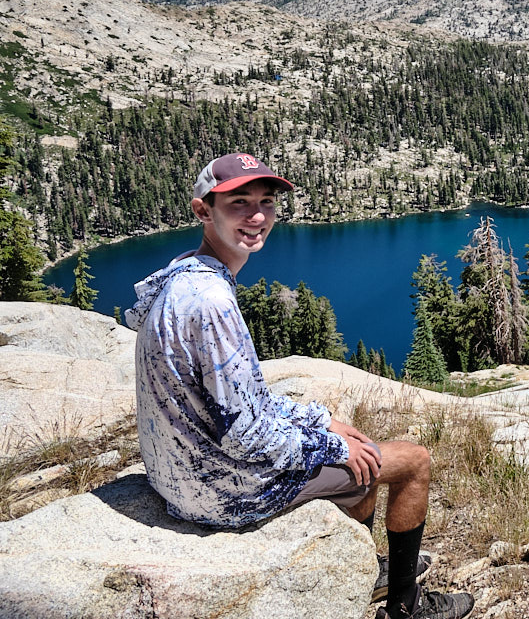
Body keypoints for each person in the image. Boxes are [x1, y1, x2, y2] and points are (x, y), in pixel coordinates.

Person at [126, 152, 473, 619]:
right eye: (238, 203)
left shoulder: (184, 276)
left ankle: (362, 568)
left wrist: (321, 421)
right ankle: (406, 607)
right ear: (202, 210)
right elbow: (244, 434)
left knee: (358, 445)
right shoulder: (211, 303)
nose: (257, 216)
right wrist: (329, 446)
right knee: (412, 461)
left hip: (180, 474)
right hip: (217, 491)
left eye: (266, 202)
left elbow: (238, 399)